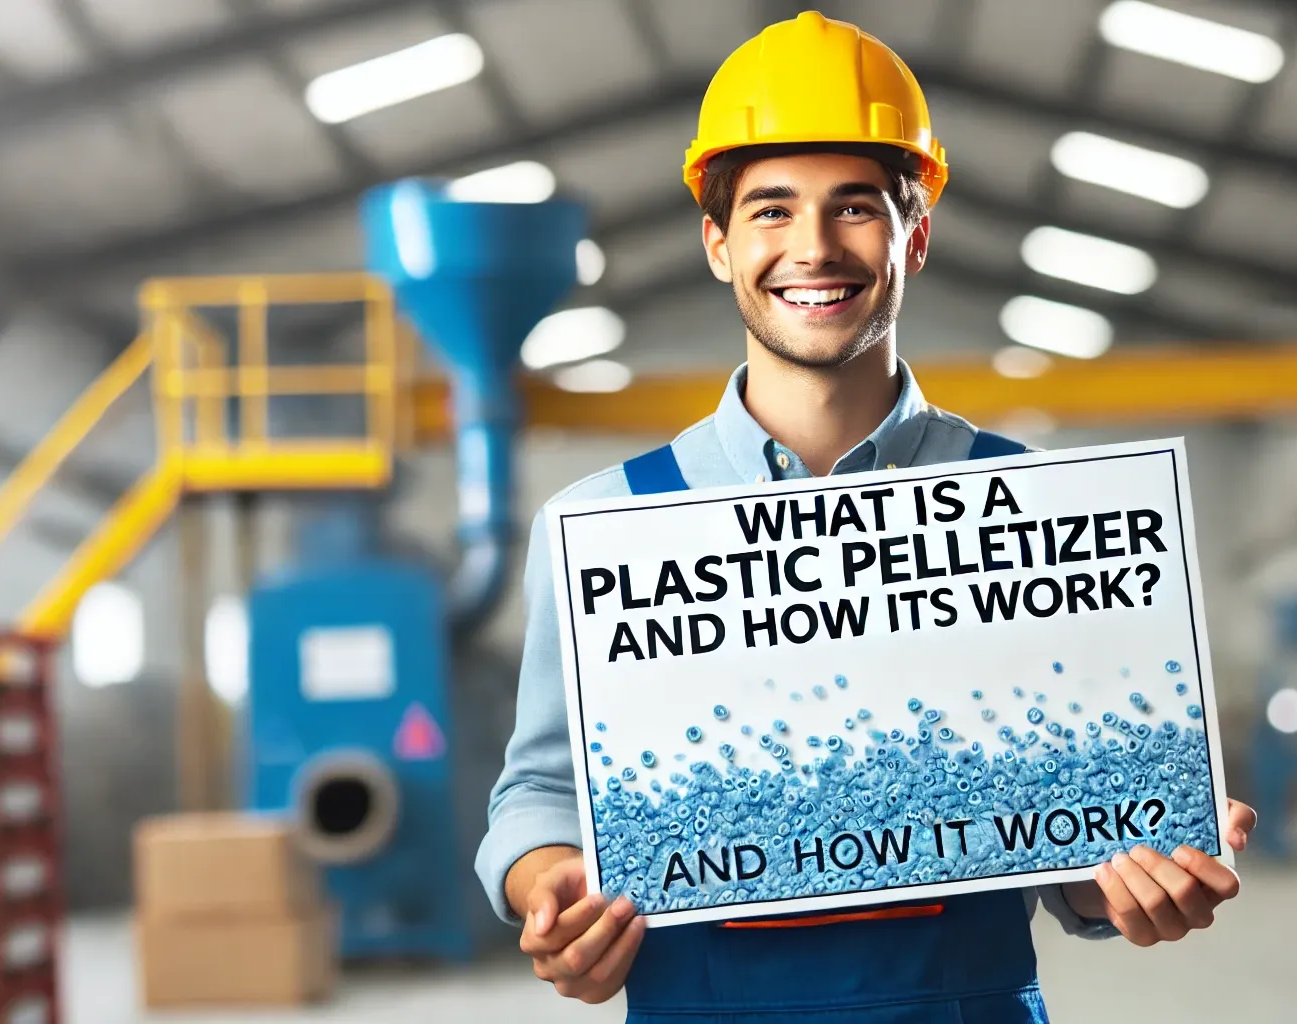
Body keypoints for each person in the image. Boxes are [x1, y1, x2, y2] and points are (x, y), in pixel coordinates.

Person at [474, 11, 1257, 1022]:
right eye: (770, 211)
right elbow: (539, 791)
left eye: (854, 208)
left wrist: (1121, 880)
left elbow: (1069, 821)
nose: (812, 248)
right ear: (717, 244)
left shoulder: (1032, 509)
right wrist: (550, 890)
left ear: (914, 235)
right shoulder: (603, 526)